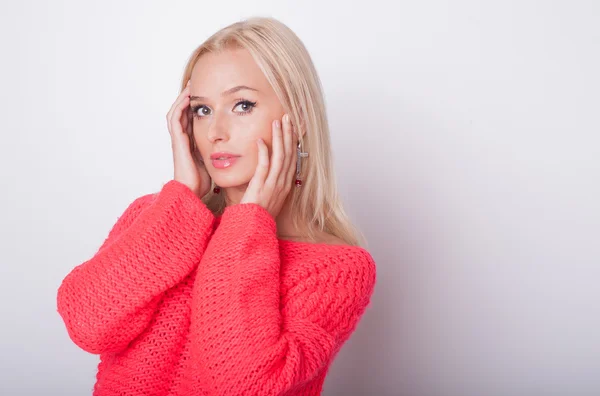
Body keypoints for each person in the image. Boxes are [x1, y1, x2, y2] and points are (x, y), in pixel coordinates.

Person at [57, 16, 377, 396]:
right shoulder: (156, 218)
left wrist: (248, 223)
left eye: (242, 105)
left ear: (300, 118)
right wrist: (183, 196)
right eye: (202, 110)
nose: (215, 132)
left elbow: (240, 385)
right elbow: (87, 324)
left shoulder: (337, 269)